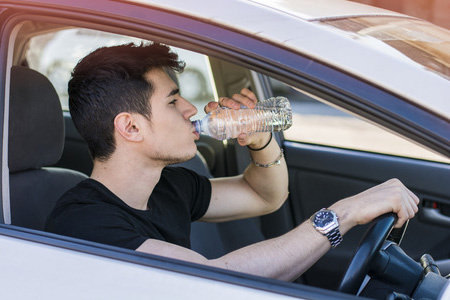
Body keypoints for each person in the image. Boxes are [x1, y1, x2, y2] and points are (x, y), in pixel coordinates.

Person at [45, 42, 419, 281]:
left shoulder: (169, 185)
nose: (191, 109)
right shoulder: (83, 221)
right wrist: (344, 214)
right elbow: (209, 280)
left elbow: (264, 196)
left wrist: (260, 140)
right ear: (130, 127)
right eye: (174, 101)